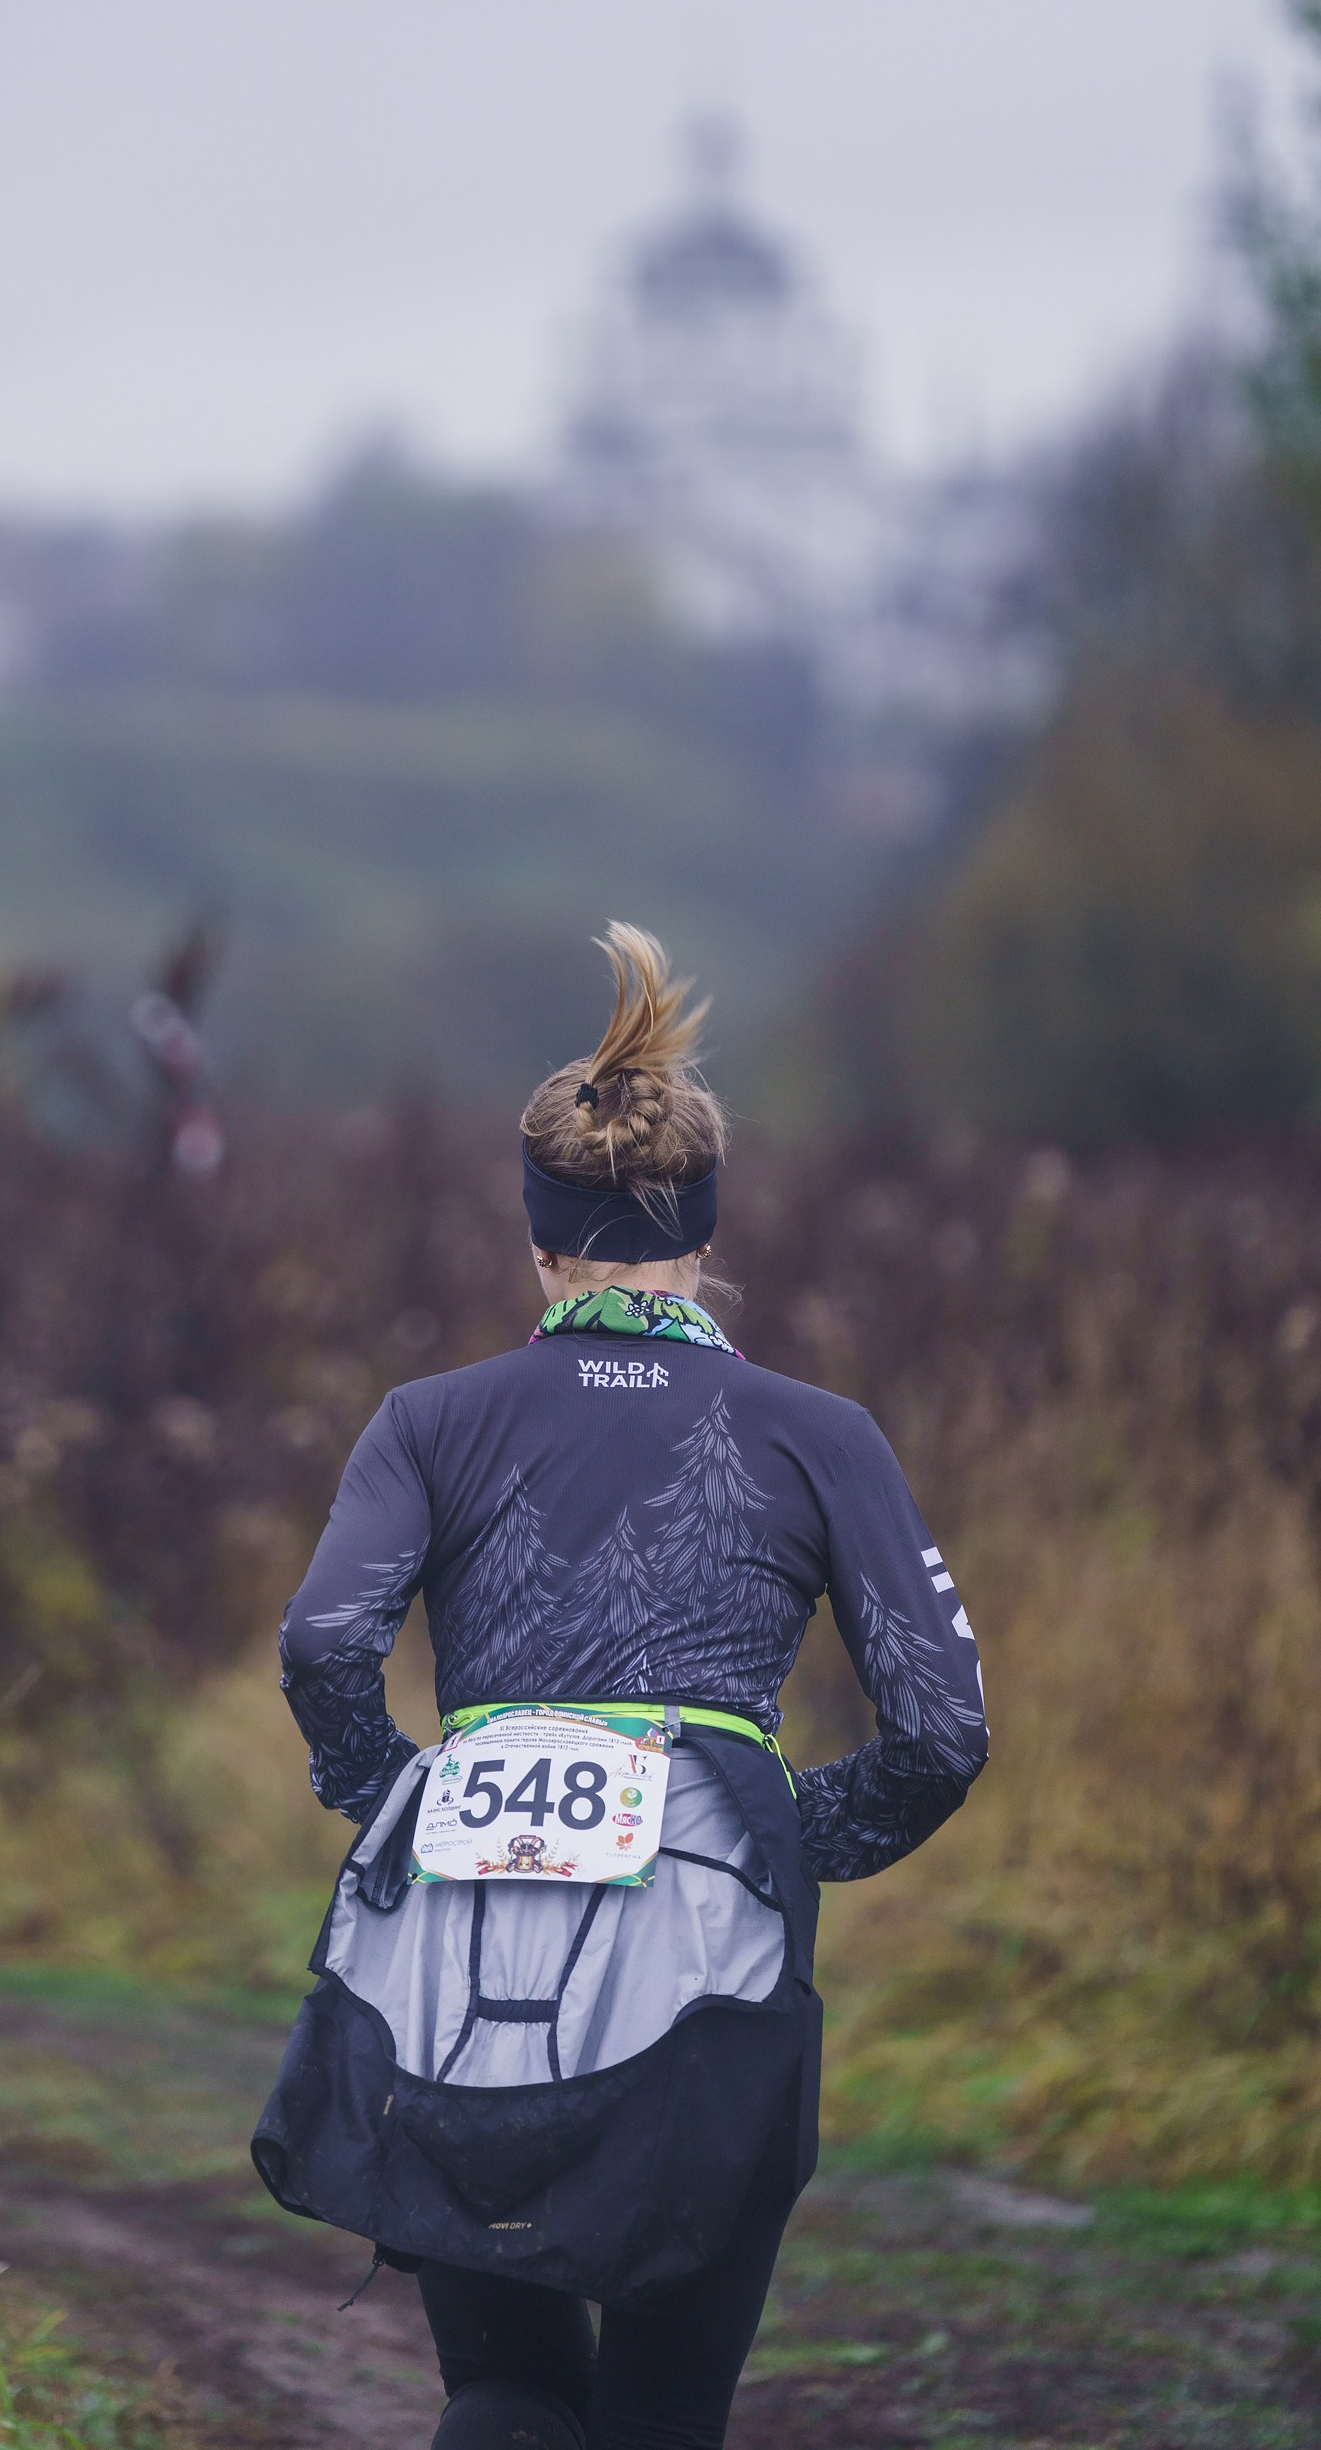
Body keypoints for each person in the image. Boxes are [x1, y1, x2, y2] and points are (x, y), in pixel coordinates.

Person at [252, 924, 987, 2450]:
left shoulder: (429, 1421)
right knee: (662, 2421)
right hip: (711, 1963)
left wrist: (389, 1792)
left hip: (461, 1947)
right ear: (705, 1235)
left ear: (537, 1239)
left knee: (507, 2393)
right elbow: (942, 1729)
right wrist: (784, 1831)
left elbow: (327, 1641)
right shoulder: (815, 1431)